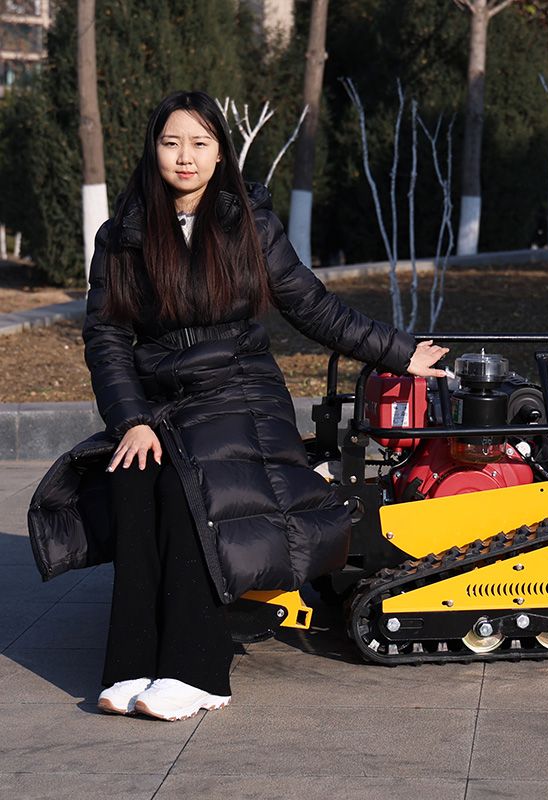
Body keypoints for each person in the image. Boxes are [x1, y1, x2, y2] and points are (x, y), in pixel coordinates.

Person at [27, 90, 447, 721]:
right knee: (133, 478)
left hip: (239, 389)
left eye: (199, 143)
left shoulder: (248, 220)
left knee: (190, 488)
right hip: (162, 398)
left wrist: (399, 352)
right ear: (152, 149)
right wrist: (131, 420)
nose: (185, 157)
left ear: (220, 151)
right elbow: (106, 338)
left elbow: (310, 304)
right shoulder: (123, 236)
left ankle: (197, 671)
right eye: (171, 143)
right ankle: (131, 662)